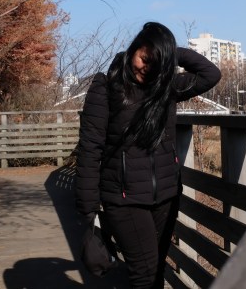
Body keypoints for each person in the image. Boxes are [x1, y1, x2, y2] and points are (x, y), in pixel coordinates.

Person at [76, 22, 221, 288]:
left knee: (155, 270)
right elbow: (90, 147)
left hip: (165, 194)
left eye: (155, 64)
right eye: (144, 58)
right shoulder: (105, 87)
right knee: (144, 273)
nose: (146, 68)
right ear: (134, 49)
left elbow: (210, 74)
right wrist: (88, 208)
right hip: (124, 198)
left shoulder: (165, 88)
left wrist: (169, 52)